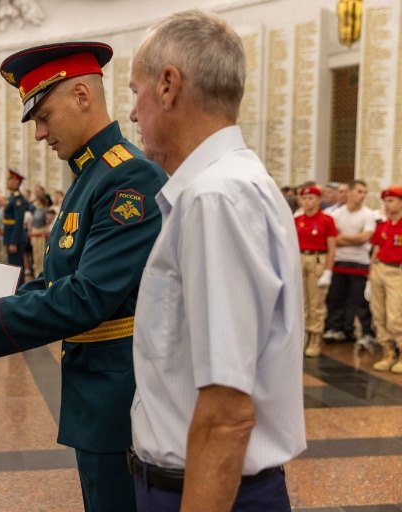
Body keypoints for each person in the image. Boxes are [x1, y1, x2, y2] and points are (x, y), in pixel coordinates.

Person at [0, 41, 166, 512]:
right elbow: (56, 281)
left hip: (121, 396)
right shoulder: (89, 177)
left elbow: (87, 297)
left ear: (82, 96)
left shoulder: (127, 177)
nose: (38, 134)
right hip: (95, 392)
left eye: (43, 116)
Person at [127, 10, 305, 511]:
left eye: (134, 92)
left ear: (168, 85)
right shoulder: (229, 186)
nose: (134, 114)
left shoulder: (215, 198)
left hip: (211, 493)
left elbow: (227, 413)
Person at [323, 180, 376, 348]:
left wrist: (342, 239)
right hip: (339, 260)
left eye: (365, 192)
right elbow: (332, 238)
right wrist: (352, 239)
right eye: (360, 191)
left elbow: (365, 238)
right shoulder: (337, 214)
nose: (363, 195)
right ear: (350, 192)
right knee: (336, 297)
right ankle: (337, 328)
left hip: (360, 262)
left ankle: (367, 332)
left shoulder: (368, 215)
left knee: (360, 300)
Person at [294, 185, 337, 357]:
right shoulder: (297, 220)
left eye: (311, 198)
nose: (307, 202)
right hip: (300, 258)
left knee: (316, 302)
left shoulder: (326, 220)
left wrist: (328, 270)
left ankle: (315, 337)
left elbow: (332, 247)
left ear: (319, 200)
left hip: (318, 259)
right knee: (301, 302)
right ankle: (302, 335)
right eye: (304, 198)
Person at [368, 186, 402, 372]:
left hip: (398, 272)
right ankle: (387, 352)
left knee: (395, 316)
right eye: (386, 202)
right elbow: (376, 250)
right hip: (379, 269)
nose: (387, 205)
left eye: (391, 201)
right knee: (379, 314)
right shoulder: (383, 225)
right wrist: (370, 275)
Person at [3, 168, 29, 283]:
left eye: (10, 179)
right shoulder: (12, 197)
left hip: (16, 239)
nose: (7, 181)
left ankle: (20, 293)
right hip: (10, 236)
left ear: (16, 182)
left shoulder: (18, 199)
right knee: (13, 267)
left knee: (17, 268)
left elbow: (18, 222)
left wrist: (13, 242)